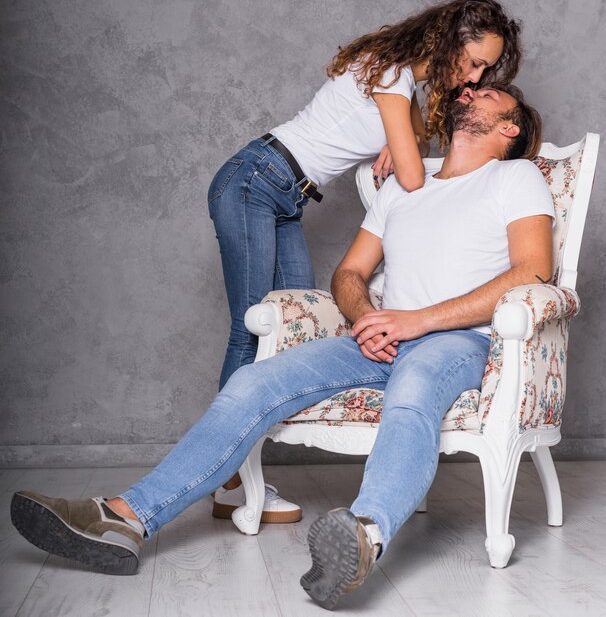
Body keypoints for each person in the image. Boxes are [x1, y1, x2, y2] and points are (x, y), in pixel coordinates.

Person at [11, 84, 553, 610]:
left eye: (488, 94)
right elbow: (350, 272)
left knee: (412, 393)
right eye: (469, 90)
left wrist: (416, 321)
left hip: (456, 340)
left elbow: (534, 271)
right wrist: (368, 317)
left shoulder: (515, 176)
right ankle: (125, 518)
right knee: (254, 380)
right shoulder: (405, 185)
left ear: (510, 127)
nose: (469, 92)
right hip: (377, 339)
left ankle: (364, 534)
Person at [209, 0, 522, 521]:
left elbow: (411, 146)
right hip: (255, 181)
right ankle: (230, 482)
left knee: (292, 331)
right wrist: (402, 144)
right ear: (447, 42)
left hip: (286, 196)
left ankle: (239, 477)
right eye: (472, 62)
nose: (473, 78)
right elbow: (414, 175)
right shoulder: (392, 78)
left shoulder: (397, 83)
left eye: (485, 69)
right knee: (252, 329)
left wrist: (398, 137)